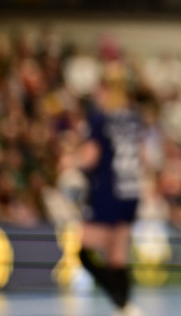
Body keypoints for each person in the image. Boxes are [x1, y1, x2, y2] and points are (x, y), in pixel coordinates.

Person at [65, 79, 144, 316]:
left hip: (108, 191)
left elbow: (91, 158)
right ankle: (124, 307)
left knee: (84, 252)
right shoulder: (131, 118)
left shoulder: (99, 118)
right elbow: (141, 155)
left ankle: (119, 300)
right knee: (117, 255)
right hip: (130, 191)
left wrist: (70, 162)